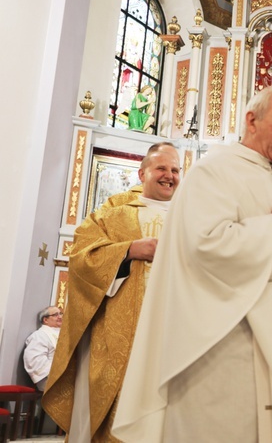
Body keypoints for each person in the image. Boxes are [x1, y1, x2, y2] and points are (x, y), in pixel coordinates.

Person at [111, 87, 272, 443]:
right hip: (221, 349)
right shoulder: (213, 171)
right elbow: (204, 246)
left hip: (270, 345)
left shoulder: (270, 181)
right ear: (252, 119)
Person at [42, 142, 181, 442]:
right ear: (143, 172)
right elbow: (80, 257)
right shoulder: (114, 211)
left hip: (174, 333)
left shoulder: (192, 215)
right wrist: (128, 250)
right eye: (161, 168)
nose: (169, 175)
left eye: (175, 169)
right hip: (117, 336)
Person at [24, 306, 63, 391]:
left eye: (60, 313)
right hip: (50, 377)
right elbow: (34, 360)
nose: (60, 317)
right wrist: (59, 372)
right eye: (55, 315)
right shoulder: (40, 335)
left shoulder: (63, 334)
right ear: (45, 320)